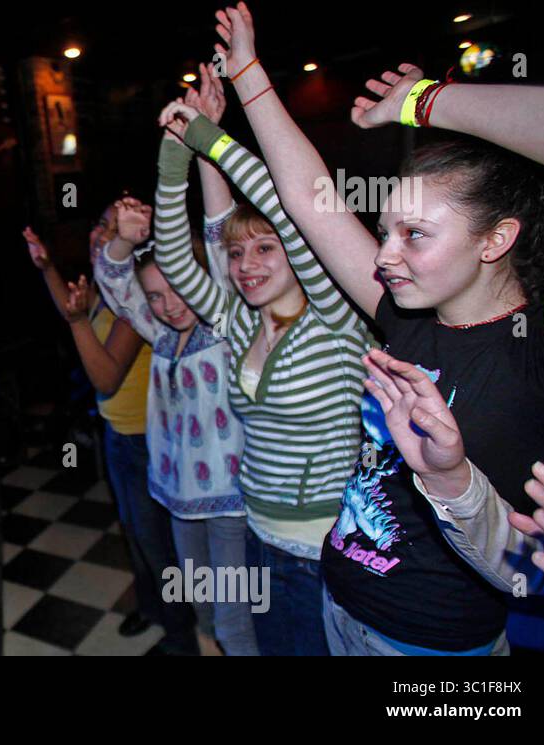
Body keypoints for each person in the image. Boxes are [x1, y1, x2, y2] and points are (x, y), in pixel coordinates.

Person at [210, 2, 544, 653]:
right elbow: (308, 197)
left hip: (425, 642)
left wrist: (423, 100)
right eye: (384, 232)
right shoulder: (406, 316)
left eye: (415, 234)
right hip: (338, 602)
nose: (384, 255)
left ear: (496, 239)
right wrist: (247, 76)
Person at [146, 67, 371, 654]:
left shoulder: (337, 318)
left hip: (323, 552)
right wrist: (173, 158)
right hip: (256, 535)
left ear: (298, 252)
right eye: (238, 251)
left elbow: (281, 199)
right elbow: (172, 252)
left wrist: (208, 136)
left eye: (266, 248)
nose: (246, 263)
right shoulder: (240, 319)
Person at [92, 194, 256, 655]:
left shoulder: (226, 328)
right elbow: (114, 279)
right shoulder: (160, 334)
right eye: (156, 297)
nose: (168, 305)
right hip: (180, 501)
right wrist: (124, 240)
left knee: (235, 617)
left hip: (230, 505)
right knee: (203, 607)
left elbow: (220, 244)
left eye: (177, 290)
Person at [23, 206, 168, 642]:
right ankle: (152, 608)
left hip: (145, 438)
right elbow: (70, 309)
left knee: (156, 546)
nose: (97, 233)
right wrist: (48, 268)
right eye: (98, 224)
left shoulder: (134, 302)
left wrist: (79, 322)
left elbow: (104, 377)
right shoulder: (107, 292)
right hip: (118, 433)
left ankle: (178, 633)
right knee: (134, 535)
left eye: (110, 227)